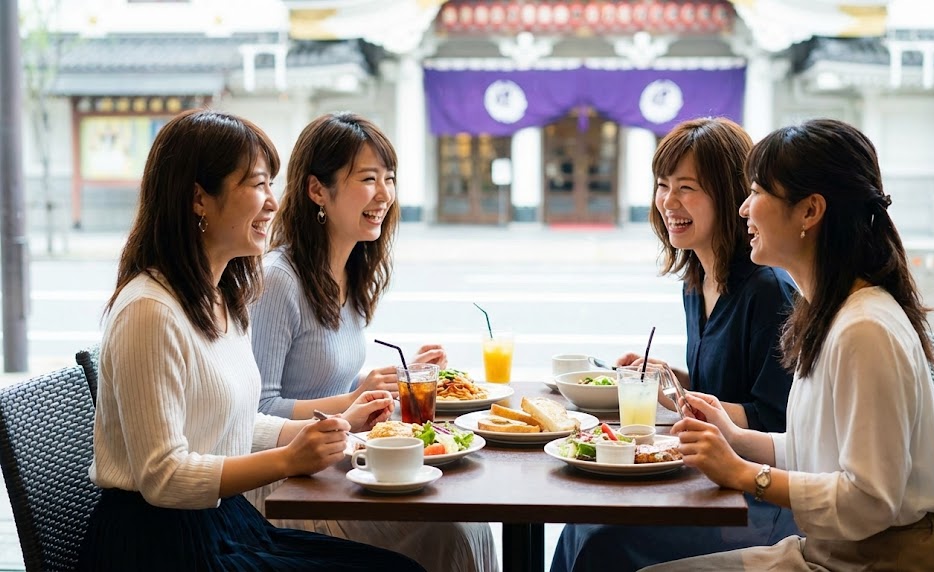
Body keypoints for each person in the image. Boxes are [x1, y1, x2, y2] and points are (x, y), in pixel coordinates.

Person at [79, 109, 423, 571]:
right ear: (199, 198)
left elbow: (234, 424)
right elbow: (163, 477)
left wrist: (326, 430)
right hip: (159, 543)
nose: (273, 204)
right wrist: (287, 459)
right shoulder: (150, 310)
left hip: (220, 519)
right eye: (257, 185)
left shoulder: (220, 297)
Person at [640, 119, 934, 572]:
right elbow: (820, 448)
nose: (743, 210)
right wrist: (737, 438)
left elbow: (870, 499)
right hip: (833, 548)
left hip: (888, 559)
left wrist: (743, 473)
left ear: (810, 212)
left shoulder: (864, 328)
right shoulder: (830, 311)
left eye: (756, 193)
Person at [246, 111, 498, 572]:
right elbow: (256, 411)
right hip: (289, 488)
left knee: (469, 521)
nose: (384, 194)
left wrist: (395, 379)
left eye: (390, 178)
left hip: (341, 466)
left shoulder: (351, 272)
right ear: (317, 190)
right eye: (367, 179)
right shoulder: (279, 281)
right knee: (452, 530)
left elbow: (325, 380)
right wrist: (355, 397)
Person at [552, 117, 799, 572]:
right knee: (581, 525)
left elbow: (776, 419)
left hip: (759, 497)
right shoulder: (697, 280)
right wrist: (669, 378)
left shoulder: (768, 291)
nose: (668, 201)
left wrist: (684, 398)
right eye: (662, 185)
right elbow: (720, 386)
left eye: (687, 188)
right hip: (711, 473)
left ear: (729, 195)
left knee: (600, 540)